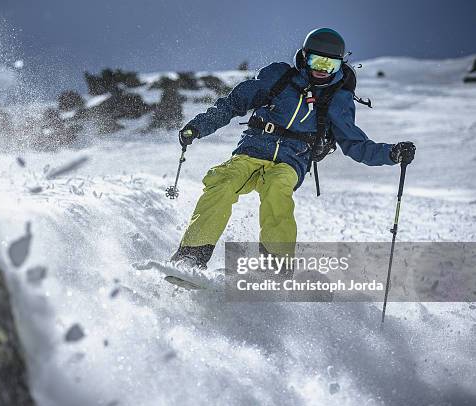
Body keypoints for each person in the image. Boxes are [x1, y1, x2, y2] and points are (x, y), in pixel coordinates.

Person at [171, 28, 416, 268]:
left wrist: (391, 153)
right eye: (317, 61)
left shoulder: (337, 99)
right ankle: (191, 256)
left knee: (278, 191)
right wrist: (198, 127)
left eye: (330, 65)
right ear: (304, 57)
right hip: (252, 151)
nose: (321, 70)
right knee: (222, 183)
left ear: (341, 65)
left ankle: (276, 267)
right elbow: (233, 104)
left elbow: (355, 144)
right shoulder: (279, 77)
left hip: (291, 161)